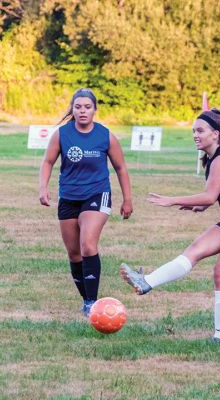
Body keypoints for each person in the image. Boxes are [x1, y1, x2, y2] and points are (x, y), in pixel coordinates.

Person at [120, 108, 220, 343]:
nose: (195, 135)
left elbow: (209, 196)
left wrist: (173, 200)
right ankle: (146, 282)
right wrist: (202, 206)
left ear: (215, 134)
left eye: (200, 130)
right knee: (192, 252)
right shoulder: (210, 158)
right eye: (193, 131)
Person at [39, 88, 133, 316]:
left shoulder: (105, 135)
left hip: (97, 194)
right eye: (78, 107)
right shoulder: (62, 134)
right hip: (68, 197)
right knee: (74, 254)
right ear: (72, 108)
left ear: (94, 110)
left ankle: (92, 302)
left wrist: (127, 199)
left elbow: (120, 168)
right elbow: (48, 162)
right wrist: (43, 187)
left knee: (88, 245)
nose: (82, 111)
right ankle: (86, 299)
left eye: (87, 107)